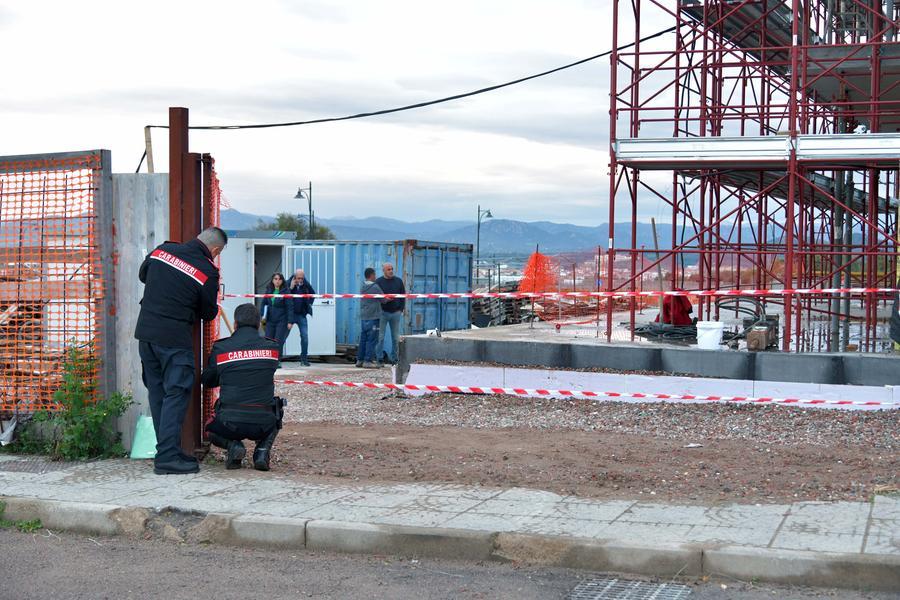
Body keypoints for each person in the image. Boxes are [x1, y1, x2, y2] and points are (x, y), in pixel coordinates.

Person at [135, 226, 227, 475]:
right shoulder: (208, 271)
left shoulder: (162, 250)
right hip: (174, 340)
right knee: (176, 394)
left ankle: (166, 451)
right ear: (215, 250)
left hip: (146, 335)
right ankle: (167, 457)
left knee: (158, 394)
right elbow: (208, 313)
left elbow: (144, 275)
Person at [202, 304, 285, 471]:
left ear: (235, 324)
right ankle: (262, 451)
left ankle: (233, 446)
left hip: (228, 423)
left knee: (207, 429)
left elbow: (208, 380)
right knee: (277, 411)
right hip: (263, 423)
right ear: (258, 324)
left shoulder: (221, 347)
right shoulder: (273, 347)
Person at [376, 262, 405, 367]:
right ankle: (379, 359)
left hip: (395, 313)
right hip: (383, 313)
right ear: (383, 270)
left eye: (392, 269)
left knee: (395, 338)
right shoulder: (378, 282)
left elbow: (403, 296)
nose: (391, 271)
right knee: (380, 337)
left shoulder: (398, 281)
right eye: (388, 269)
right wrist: (384, 301)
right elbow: (376, 297)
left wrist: (401, 310)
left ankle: (394, 359)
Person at [357, 267, 384, 368]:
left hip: (364, 317)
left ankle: (359, 360)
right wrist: (391, 298)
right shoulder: (375, 287)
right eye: (375, 274)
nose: (376, 276)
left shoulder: (362, 286)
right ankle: (367, 361)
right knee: (372, 339)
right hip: (374, 317)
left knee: (363, 338)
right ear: (371, 275)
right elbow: (383, 299)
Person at [289, 268, 315, 366]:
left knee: (305, 337)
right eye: (298, 278)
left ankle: (304, 358)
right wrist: (291, 288)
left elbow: (313, 293)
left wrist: (309, 304)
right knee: (283, 336)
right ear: (294, 277)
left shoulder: (305, 284)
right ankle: (278, 359)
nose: (300, 280)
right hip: (291, 315)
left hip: (301, 315)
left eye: (302, 278)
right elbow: (283, 295)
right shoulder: (289, 283)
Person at [261, 273, 289, 366]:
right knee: (268, 339)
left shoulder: (286, 291)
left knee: (278, 340)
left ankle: (277, 361)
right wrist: (262, 316)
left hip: (282, 319)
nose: (277, 281)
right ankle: (269, 360)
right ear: (272, 280)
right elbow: (263, 303)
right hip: (270, 319)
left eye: (279, 279)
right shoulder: (269, 290)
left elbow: (290, 306)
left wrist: (290, 321)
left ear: (282, 281)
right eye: (275, 279)